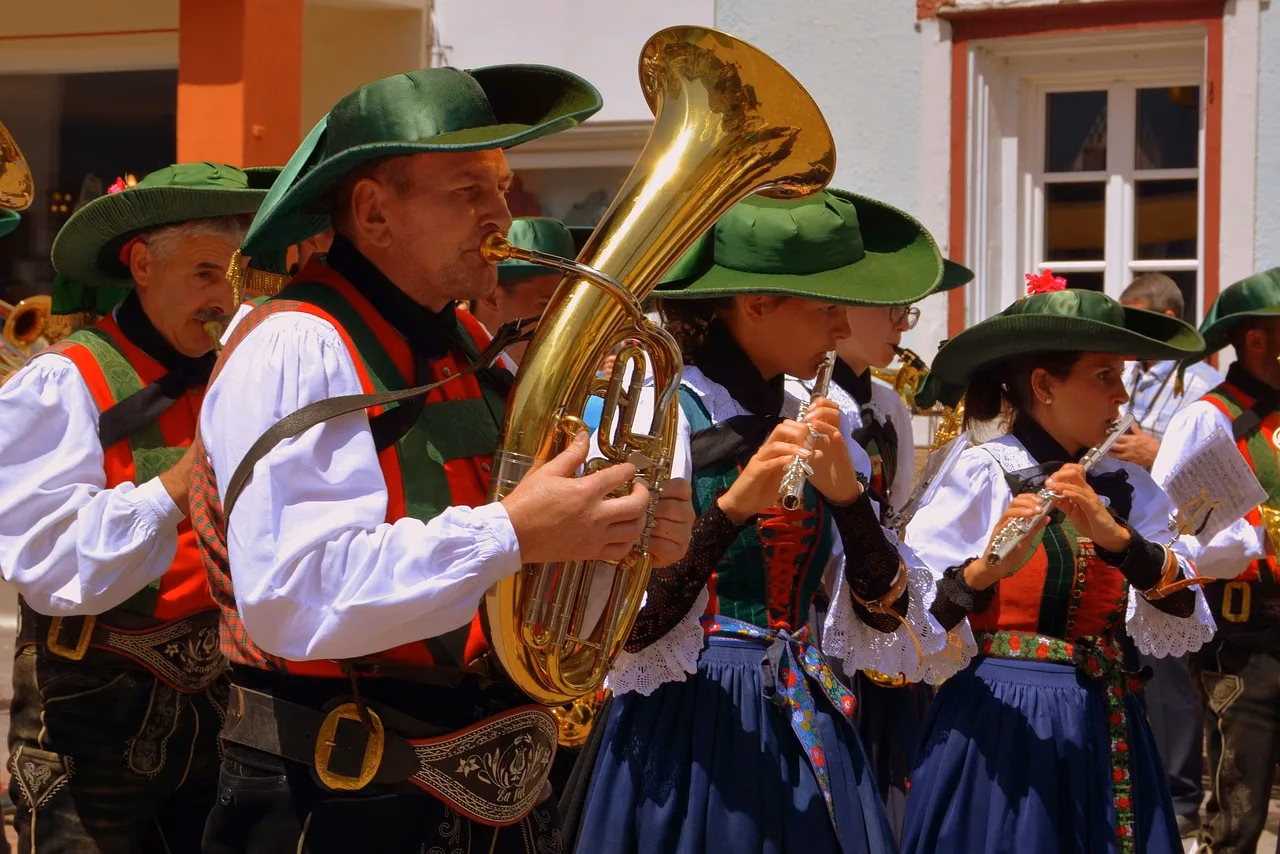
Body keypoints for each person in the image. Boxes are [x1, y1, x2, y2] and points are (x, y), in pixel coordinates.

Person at [190, 65, 694, 853]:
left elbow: (525, 580)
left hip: (485, 799)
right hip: (340, 803)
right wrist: (515, 532)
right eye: (468, 191)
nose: (503, 214)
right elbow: (290, 595)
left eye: (500, 186)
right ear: (374, 212)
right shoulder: (300, 342)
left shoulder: (468, 353)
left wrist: (616, 537)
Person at [575, 189, 971, 854]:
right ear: (754, 305)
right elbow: (628, 631)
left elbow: (883, 616)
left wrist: (849, 503)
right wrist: (730, 510)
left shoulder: (825, 413)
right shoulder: (659, 410)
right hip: (684, 725)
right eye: (825, 309)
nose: (842, 330)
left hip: (800, 708)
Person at [0, 162, 274, 852]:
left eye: (236, 278)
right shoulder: (65, 377)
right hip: (90, 703)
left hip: (220, 697)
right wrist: (178, 486)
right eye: (206, 274)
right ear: (143, 265)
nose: (225, 301)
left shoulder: (237, 370)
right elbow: (43, 561)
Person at [902, 274, 1215, 853]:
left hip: (1107, 721)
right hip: (1004, 725)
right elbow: (913, 628)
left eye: (1121, 376)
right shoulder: (982, 472)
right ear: (1043, 385)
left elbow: (1183, 607)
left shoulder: (1124, 488)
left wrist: (1117, 539)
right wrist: (986, 568)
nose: (1121, 396)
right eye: (1105, 376)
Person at [823, 258, 973, 839]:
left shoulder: (887, 404)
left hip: (881, 596)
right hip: (827, 601)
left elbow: (900, 509)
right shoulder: (801, 395)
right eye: (890, 309)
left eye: (905, 311)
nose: (901, 325)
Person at [1151, 267, 1280, 854]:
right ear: (1258, 339)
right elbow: (1176, 534)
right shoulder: (1208, 418)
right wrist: (1259, 538)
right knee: (1238, 804)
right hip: (1244, 635)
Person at [1108, 271, 1221, 839]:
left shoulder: (1200, 384)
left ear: (1171, 320)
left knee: (1173, 678)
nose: (1128, 332)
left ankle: (1180, 793)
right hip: (1118, 533)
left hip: (1170, 535)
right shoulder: (1122, 375)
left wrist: (1156, 451)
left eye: (1139, 317)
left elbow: (1217, 476)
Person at [1112, 272, 1223, 469]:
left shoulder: (1207, 384)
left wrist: (1159, 455)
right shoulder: (1124, 369)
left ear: (1168, 319)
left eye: (1136, 321)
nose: (1127, 330)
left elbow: (1220, 470)